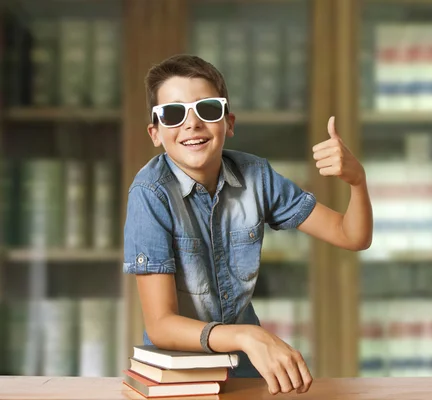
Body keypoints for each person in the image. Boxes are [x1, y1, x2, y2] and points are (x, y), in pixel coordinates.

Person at [122, 54, 373, 395]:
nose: (192, 124)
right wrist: (248, 335)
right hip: (179, 374)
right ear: (155, 133)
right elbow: (161, 325)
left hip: (246, 366)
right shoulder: (150, 194)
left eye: (207, 109)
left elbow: (352, 236)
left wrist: (357, 180)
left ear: (229, 122)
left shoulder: (256, 176)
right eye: (173, 113)